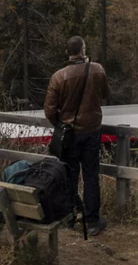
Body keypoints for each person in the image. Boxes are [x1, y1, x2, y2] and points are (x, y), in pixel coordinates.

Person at [44, 36, 110, 236]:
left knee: (70, 176)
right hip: (91, 131)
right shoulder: (97, 70)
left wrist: (61, 124)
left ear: (67, 53)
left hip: (70, 134)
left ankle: (71, 215)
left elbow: (49, 109)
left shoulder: (58, 77)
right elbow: (106, 94)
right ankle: (92, 220)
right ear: (83, 50)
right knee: (91, 176)